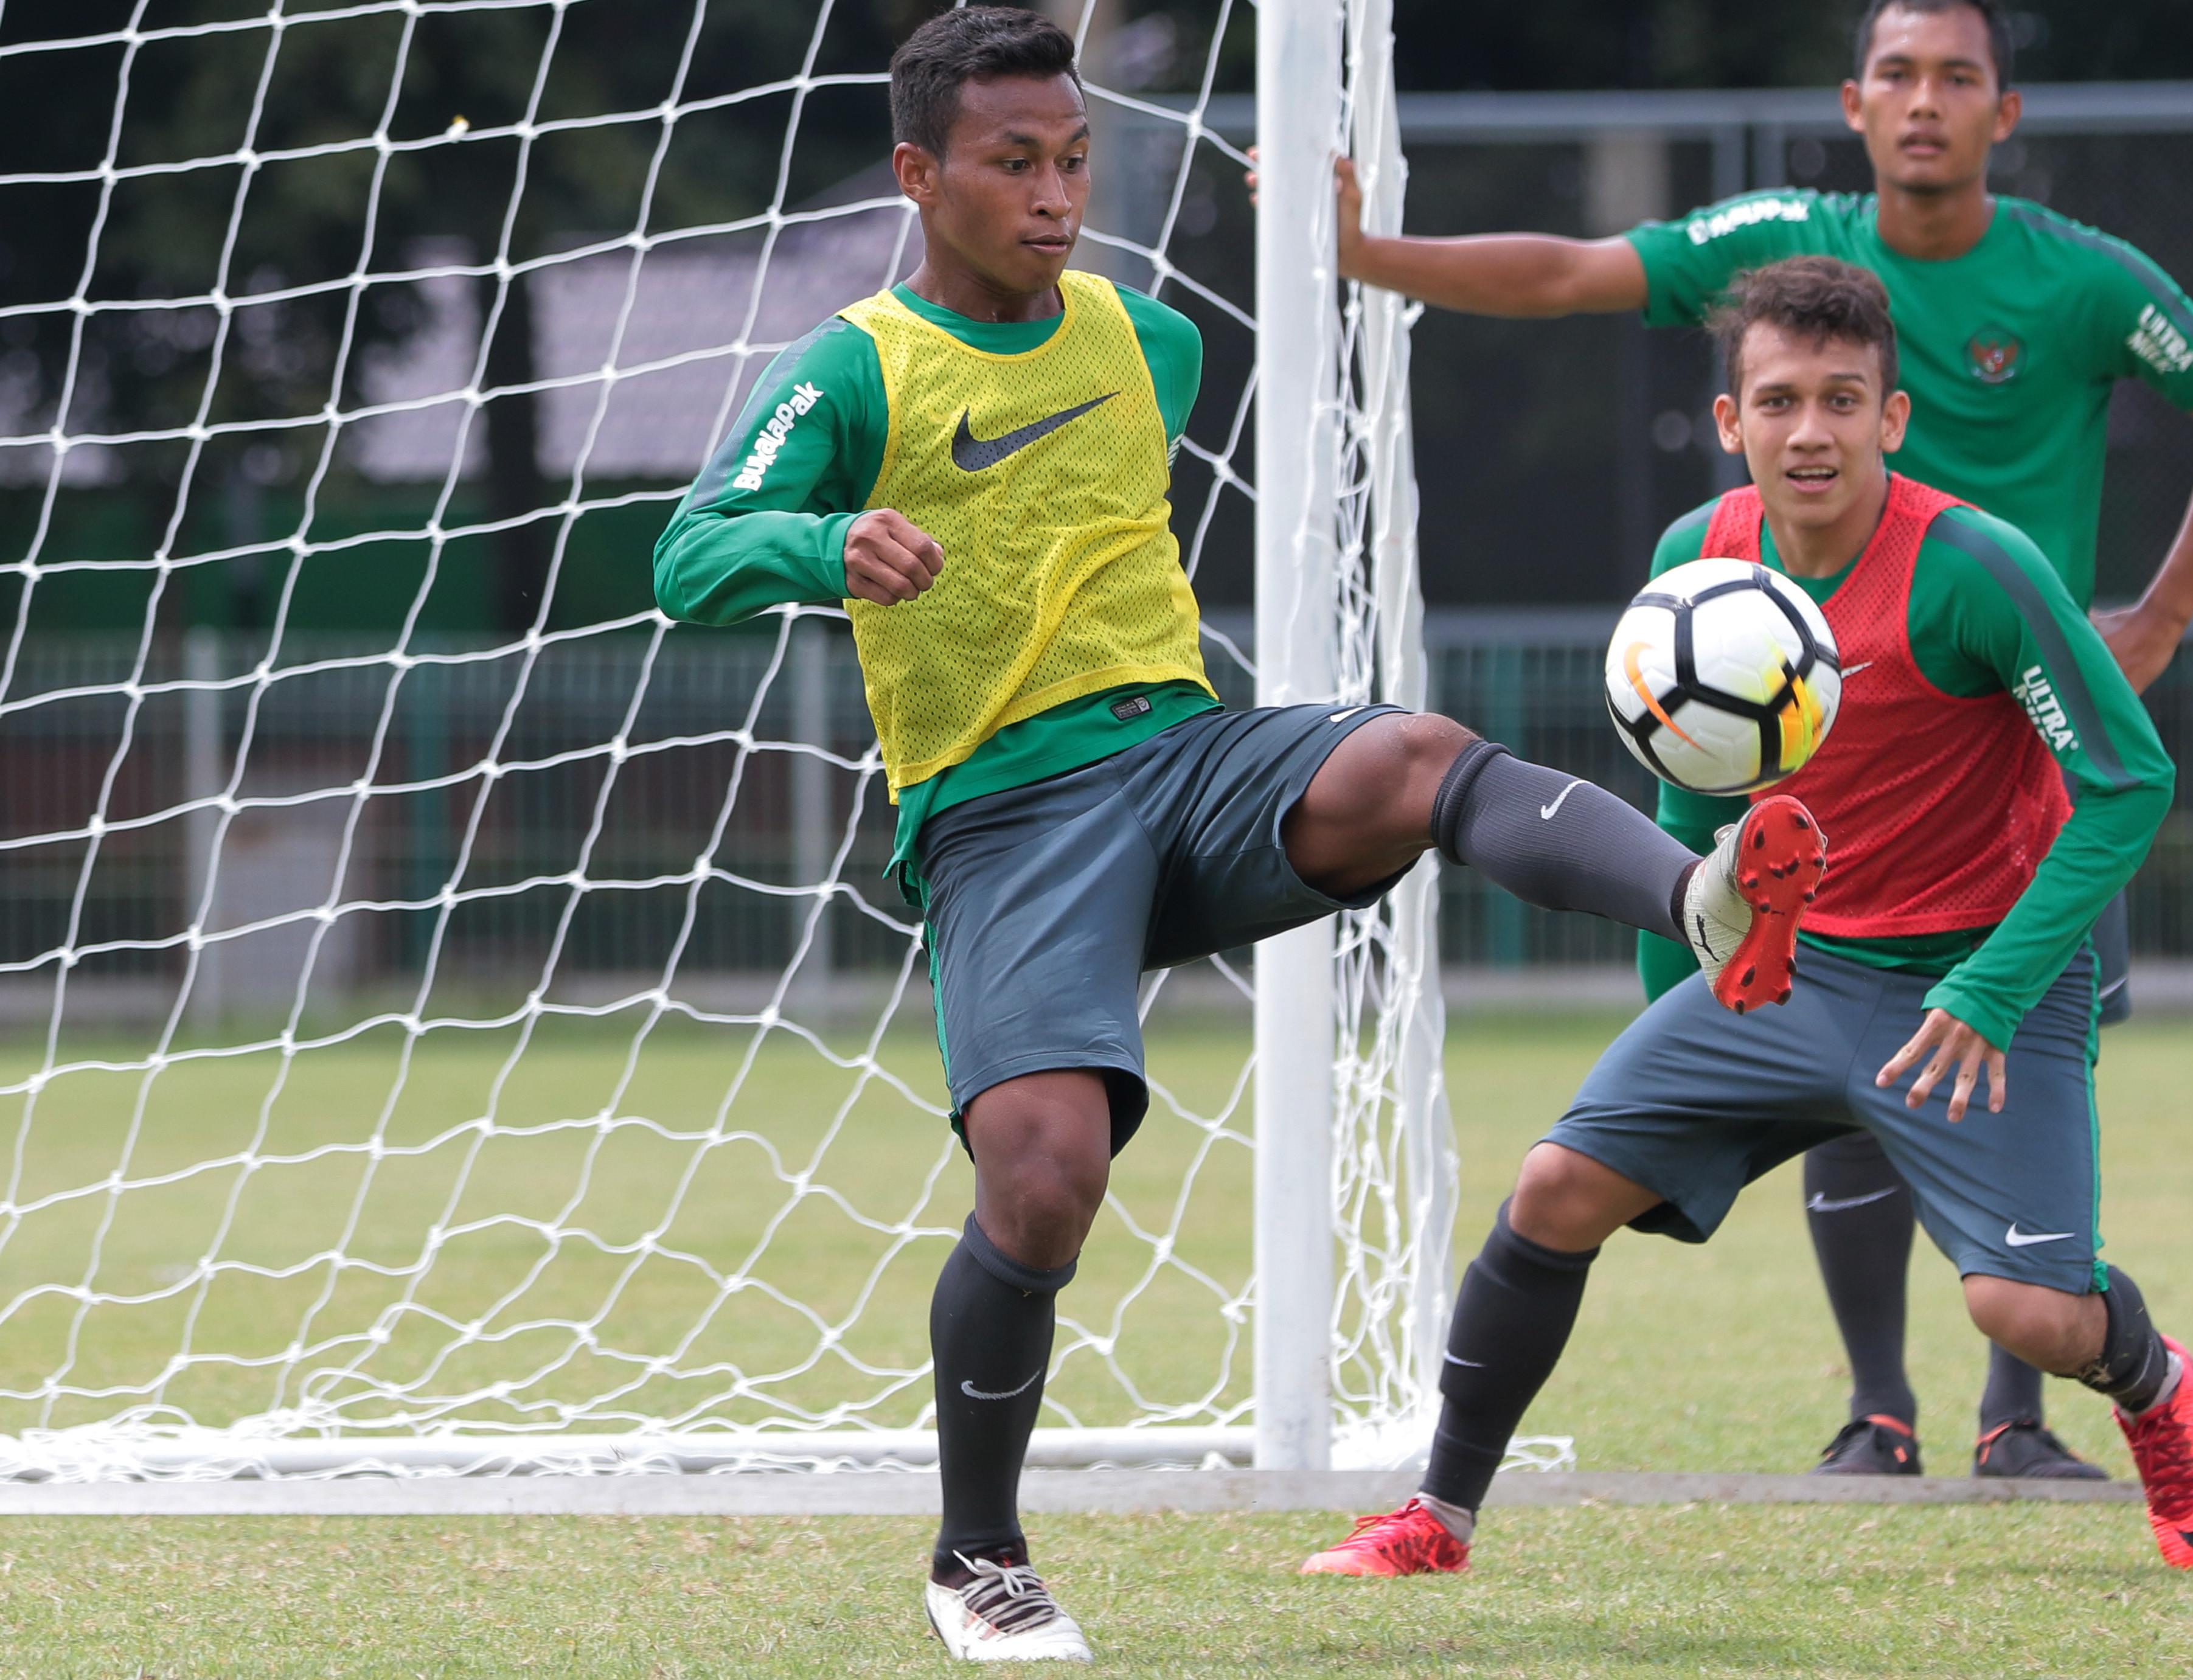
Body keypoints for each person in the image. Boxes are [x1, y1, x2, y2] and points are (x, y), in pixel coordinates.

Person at [648, 9, 1825, 1662]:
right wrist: (827, 538)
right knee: (1045, 1180)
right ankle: (976, 1555)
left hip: (1184, 756)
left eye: (1070, 161)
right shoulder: (857, 366)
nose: (1054, 193)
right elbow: (686, 556)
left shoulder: (1146, 342)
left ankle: (1698, 893)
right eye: (1012, 165)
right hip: (1001, 817)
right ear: (920, 176)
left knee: (1410, 754)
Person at [1315, 0, 2193, 1480]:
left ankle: (2026, 1409)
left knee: (1999, 1125)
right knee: (1775, 1050)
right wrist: (1377, 260)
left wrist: (2153, 617)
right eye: (1896, 74)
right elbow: (1578, 270)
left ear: (1998, 116)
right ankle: (1872, 1407)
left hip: (2006, 750)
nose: (1923, 102)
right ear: (1852, 101)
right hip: (1824, 779)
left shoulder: (2077, 290)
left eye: (1956, 77)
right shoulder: (1768, 298)